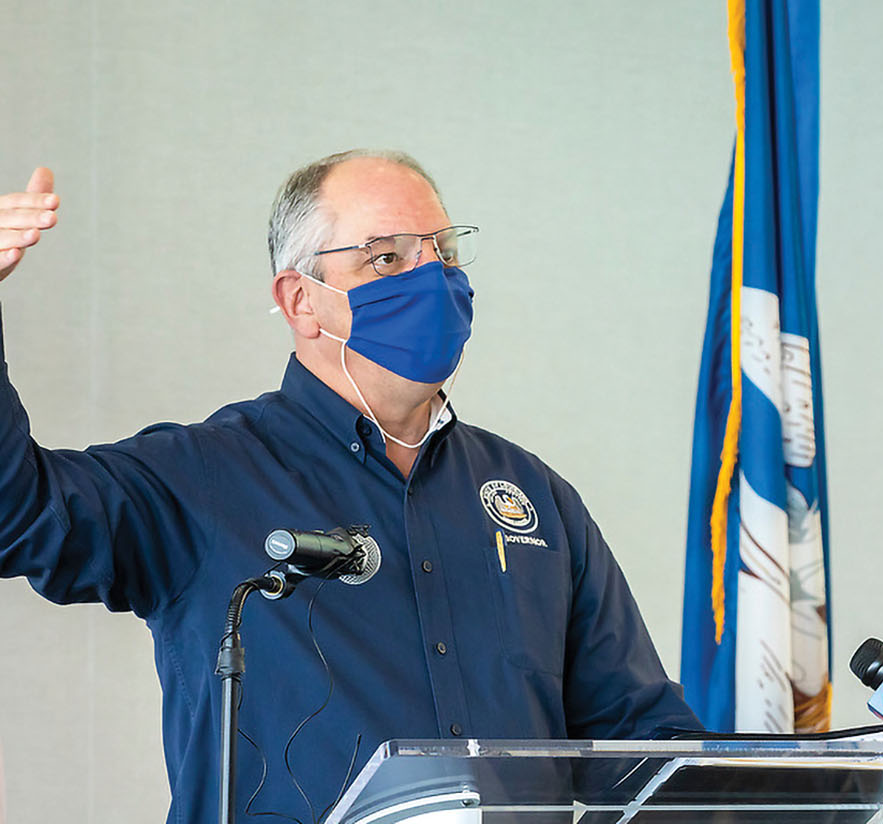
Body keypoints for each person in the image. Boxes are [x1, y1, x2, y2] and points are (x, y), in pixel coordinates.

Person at [0, 152, 700, 824]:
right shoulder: (202, 477)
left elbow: (641, 744)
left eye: (445, 253)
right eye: (388, 258)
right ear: (302, 301)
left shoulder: (534, 498)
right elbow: (20, 516)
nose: (433, 280)